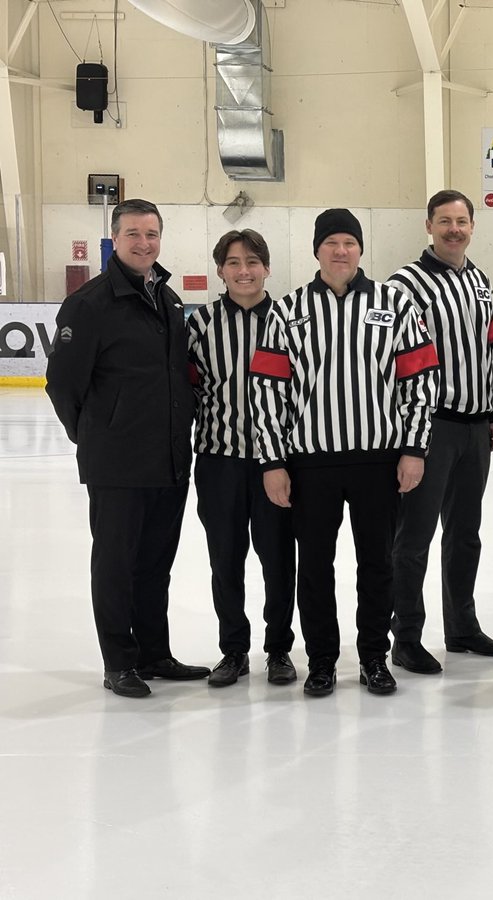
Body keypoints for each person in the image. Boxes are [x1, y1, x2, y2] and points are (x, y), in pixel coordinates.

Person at [250, 209, 438, 697]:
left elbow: (420, 382)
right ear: (317, 250)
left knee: (378, 563)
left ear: (360, 249)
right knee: (314, 567)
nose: (340, 251)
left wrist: (414, 449)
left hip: (378, 461)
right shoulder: (288, 311)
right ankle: (322, 661)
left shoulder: (395, 304)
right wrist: (273, 461)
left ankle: (375, 656)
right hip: (311, 464)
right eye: (331, 242)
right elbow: (267, 392)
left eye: (349, 242)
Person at [45, 198, 210, 697]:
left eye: (152, 234)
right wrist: (99, 433)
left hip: (169, 459)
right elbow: (62, 385)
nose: (144, 243)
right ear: (114, 239)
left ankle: (154, 653)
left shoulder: (169, 298)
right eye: (133, 234)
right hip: (117, 463)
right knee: (116, 564)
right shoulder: (90, 303)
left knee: (155, 562)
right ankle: (119, 661)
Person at [387, 190, 493, 675]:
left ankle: (461, 626)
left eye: (462, 221)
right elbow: (393, 361)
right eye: (445, 221)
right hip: (431, 427)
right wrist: (407, 437)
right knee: (413, 537)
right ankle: (408, 637)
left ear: (473, 226)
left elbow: (491, 352)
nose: (454, 229)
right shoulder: (405, 284)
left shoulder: (479, 281)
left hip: (475, 427)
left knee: (465, 535)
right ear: (429, 225)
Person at [187, 229, 297, 687]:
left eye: (252, 261)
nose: (244, 271)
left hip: (278, 464)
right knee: (225, 560)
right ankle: (233, 650)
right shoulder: (200, 325)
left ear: (267, 267)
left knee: (277, 560)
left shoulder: (290, 320)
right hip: (219, 461)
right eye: (233, 263)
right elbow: (188, 391)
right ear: (220, 271)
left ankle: (278, 650)